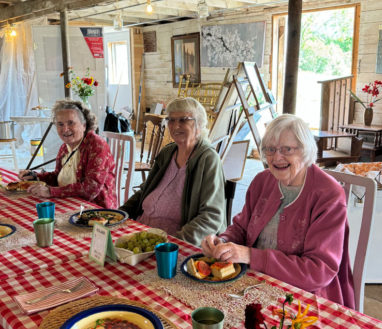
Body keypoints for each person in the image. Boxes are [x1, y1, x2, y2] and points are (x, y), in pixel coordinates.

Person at [201, 114, 355, 309]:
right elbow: (241, 227)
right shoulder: (262, 181)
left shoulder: (328, 195)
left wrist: (250, 256)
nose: (276, 157)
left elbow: (318, 272)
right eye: (270, 150)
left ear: (305, 150)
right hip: (253, 283)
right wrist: (222, 241)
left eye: (287, 149)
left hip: (304, 299)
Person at [121, 97, 226, 247]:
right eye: (171, 120)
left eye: (183, 120)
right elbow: (145, 191)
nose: (175, 126)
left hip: (173, 240)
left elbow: (212, 215)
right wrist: (121, 213)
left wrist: (177, 242)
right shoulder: (168, 152)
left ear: (199, 124)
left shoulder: (207, 159)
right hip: (142, 232)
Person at [19, 99, 117, 209]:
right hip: (68, 203)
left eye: (71, 123)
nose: (65, 129)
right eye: (60, 124)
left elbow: (91, 189)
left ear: (84, 125)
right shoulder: (65, 147)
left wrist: (51, 191)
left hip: (95, 210)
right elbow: (58, 177)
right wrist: (36, 177)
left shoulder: (97, 145)